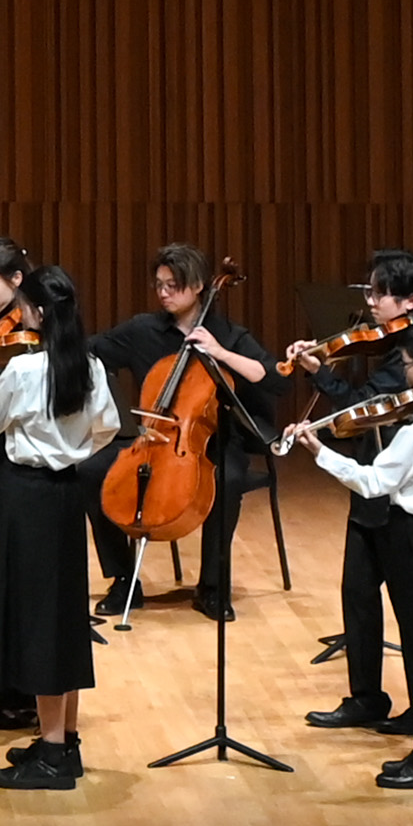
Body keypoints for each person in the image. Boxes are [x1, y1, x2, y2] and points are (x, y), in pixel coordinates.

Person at [0, 250, 121, 790]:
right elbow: (108, 427)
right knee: (62, 618)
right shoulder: (89, 362)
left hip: (24, 498)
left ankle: (54, 756)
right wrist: (68, 451)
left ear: (34, 309)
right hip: (63, 496)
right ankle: (65, 741)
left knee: (38, 624)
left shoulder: (28, 367)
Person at [299, 316, 413, 785]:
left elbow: (374, 481)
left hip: (410, 537)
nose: (404, 371)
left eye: (408, 364)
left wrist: (319, 451)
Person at [92, 243, 276, 628]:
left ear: (199, 287)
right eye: (159, 284)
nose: (163, 293)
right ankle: (124, 580)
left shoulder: (228, 333)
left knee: (229, 478)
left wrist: (220, 353)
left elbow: (272, 377)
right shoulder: (144, 329)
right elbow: (91, 351)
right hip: (153, 439)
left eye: (173, 285)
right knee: (92, 472)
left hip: (213, 441)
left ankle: (212, 586)